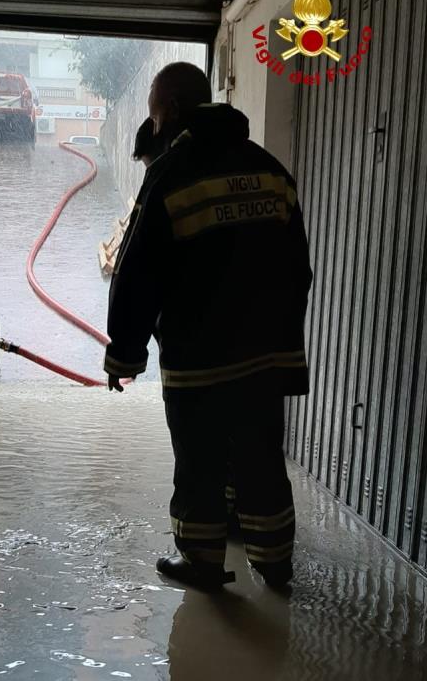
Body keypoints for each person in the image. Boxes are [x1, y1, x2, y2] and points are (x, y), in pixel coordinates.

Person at [104, 62, 312, 590]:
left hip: (199, 357)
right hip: (264, 355)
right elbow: (298, 270)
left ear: (170, 111)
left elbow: (136, 273)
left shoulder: (171, 176)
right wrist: (285, 345)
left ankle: (202, 562)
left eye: (153, 110)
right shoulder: (269, 169)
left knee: (199, 460)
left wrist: (124, 355)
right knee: (260, 453)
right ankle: (275, 564)